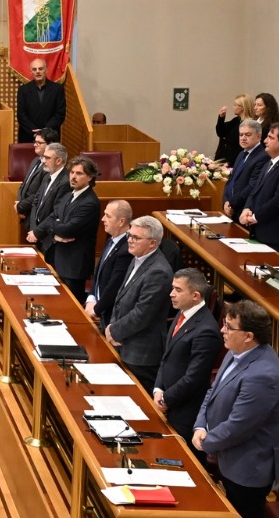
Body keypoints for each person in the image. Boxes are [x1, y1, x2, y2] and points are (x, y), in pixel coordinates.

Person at [193, 300, 279, 518]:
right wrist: (200, 425)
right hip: (231, 455)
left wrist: (208, 441)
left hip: (249, 465)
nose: (222, 331)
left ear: (249, 335)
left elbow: (240, 425)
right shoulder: (240, 353)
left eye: (229, 327)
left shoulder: (262, 374)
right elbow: (212, 392)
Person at [156, 268, 224, 518]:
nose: (171, 293)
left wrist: (167, 398)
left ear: (195, 295)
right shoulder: (182, 318)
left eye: (177, 290)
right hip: (169, 401)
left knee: (191, 474)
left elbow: (195, 378)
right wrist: (158, 387)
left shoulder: (206, 329)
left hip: (187, 412)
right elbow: (167, 358)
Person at [101, 215, 174, 390]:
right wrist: (113, 326)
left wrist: (114, 330)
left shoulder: (159, 272)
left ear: (153, 243)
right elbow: (122, 297)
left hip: (141, 354)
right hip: (124, 342)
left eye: (136, 238)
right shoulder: (137, 258)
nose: (130, 241)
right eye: (129, 236)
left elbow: (142, 314)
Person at [28, 154, 99, 300]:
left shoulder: (89, 202)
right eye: (72, 172)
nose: (73, 177)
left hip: (74, 265)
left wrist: (55, 228)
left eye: (79, 173)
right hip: (59, 259)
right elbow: (53, 216)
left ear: (90, 177)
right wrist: (56, 231)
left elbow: (67, 230)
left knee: (71, 308)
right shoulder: (69, 195)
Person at [238, 123, 279, 258]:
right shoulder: (270, 162)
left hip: (278, 238)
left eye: (270, 137)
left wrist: (255, 217)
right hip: (261, 232)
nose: (265, 141)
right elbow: (255, 190)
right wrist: (247, 208)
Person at [85, 199, 134, 324]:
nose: (103, 219)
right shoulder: (111, 240)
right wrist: (91, 299)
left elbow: (115, 286)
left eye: (108, 216)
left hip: (110, 317)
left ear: (121, 221)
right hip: (98, 308)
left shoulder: (127, 249)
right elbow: (98, 274)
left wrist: (96, 309)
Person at [222, 119, 266, 218]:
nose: (243, 138)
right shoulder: (241, 153)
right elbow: (231, 181)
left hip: (244, 211)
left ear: (259, 136)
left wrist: (231, 203)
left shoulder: (263, 156)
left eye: (248, 135)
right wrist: (225, 201)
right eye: (241, 135)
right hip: (231, 208)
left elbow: (252, 186)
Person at [15, 57, 65, 143]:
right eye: (34, 69)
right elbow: (21, 115)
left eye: (40, 69)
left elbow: (60, 114)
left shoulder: (57, 89)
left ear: (46, 70)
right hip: (28, 136)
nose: (37, 71)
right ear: (31, 72)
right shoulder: (23, 90)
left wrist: (45, 130)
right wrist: (35, 131)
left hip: (50, 136)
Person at [214, 94, 249, 164]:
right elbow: (221, 132)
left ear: (242, 107)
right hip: (226, 157)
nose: (233, 107)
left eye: (235, 105)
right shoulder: (236, 120)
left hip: (235, 161)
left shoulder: (248, 124)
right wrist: (221, 117)